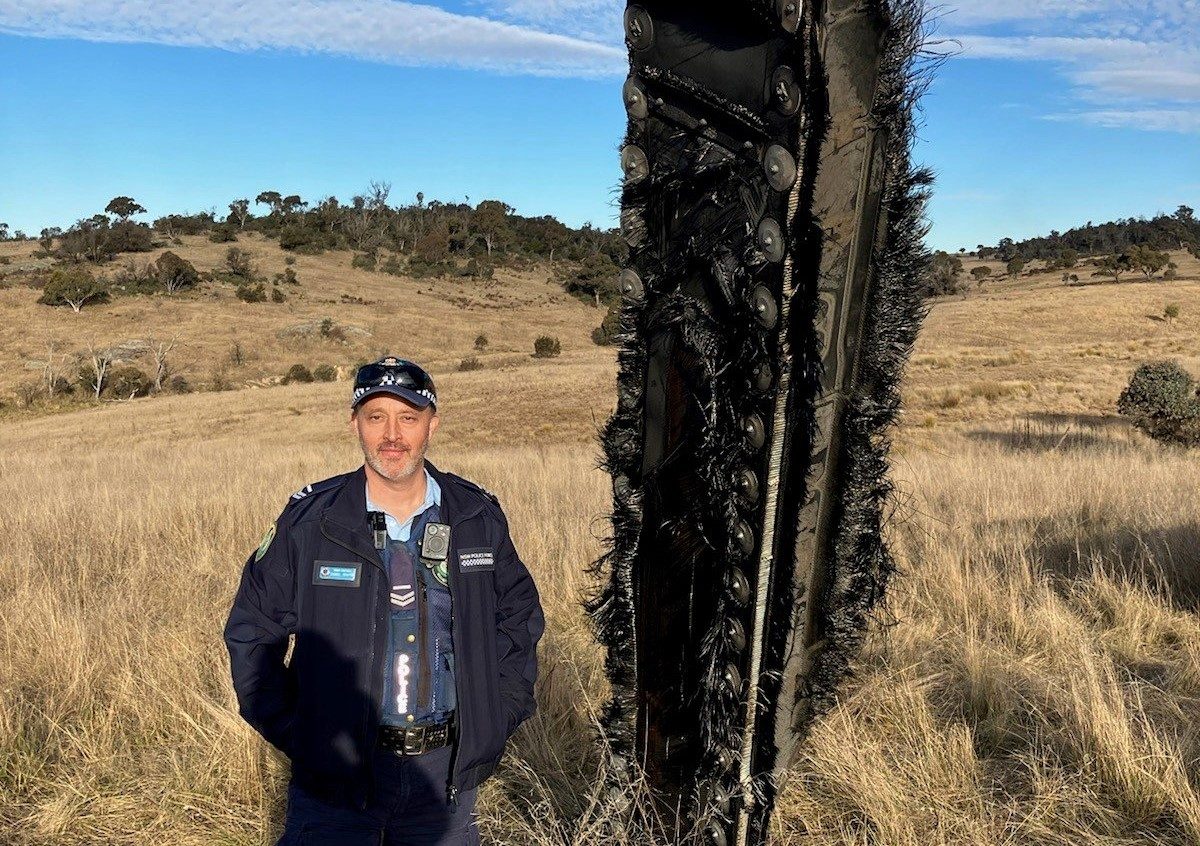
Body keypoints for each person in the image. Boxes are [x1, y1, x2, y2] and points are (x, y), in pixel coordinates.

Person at [224, 356, 544, 845]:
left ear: (432, 424)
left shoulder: (476, 516)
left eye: (408, 417)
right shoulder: (312, 521)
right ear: (355, 423)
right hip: (334, 785)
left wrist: (496, 716)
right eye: (377, 417)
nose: (392, 435)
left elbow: (518, 621)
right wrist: (302, 735)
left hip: (444, 784)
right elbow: (254, 628)